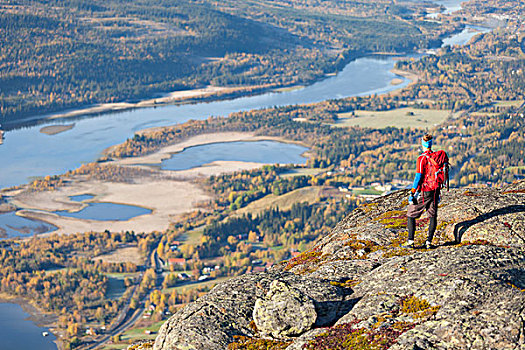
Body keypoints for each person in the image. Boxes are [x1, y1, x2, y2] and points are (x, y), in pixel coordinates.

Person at [403, 134, 448, 249]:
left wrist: (413, 192)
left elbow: (418, 177)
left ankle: (410, 242)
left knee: (411, 214)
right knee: (432, 215)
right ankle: (428, 243)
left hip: (425, 190)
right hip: (435, 190)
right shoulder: (436, 157)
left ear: (422, 144)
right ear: (431, 144)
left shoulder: (421, 158)